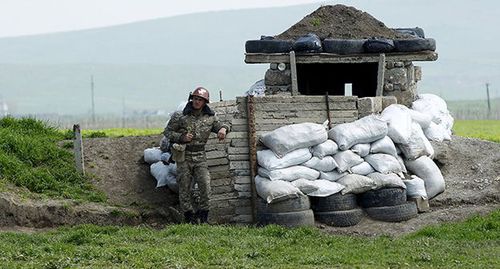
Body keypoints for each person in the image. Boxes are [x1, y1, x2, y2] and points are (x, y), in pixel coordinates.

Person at [164, 87, 230, 224]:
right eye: (195, 99)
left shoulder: (210, 117)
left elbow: (221, 125)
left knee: (205, 186)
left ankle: (203, 217)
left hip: (200, 156)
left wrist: (223, 129)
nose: (197, 102)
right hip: (184, 155)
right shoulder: (180, 116)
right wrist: (181, 137)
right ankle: (188, 217)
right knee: (184, 187)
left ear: (205, 102)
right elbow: (167, 132)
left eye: (200, 100)